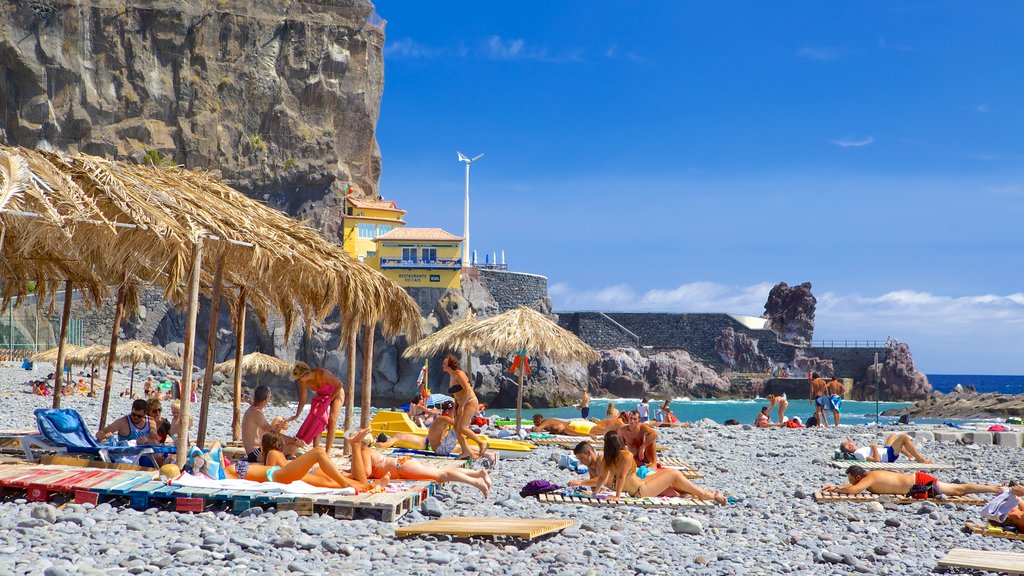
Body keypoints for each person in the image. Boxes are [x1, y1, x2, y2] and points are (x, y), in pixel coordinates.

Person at [349, 428, 491, 496]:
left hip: (401, 467)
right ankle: (477, 473)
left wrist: (350, 474)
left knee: (441, 475)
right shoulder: (365, 452)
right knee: (440, 472)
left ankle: (476, 482)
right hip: (403, 464)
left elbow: (366, 473)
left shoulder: (364, 452)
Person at [592, 431, 727, 503]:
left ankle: (700, 492)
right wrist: (617, 496)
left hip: (640, 486)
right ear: (618, 441)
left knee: (669, 473)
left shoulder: (606, 459)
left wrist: (595, 493)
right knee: (674, 473)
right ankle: (704, 494)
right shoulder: (625, 455)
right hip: (641, 491)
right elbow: (621, 476)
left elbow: (602, 478)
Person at [217, 432, 377, 492]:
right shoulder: (225, 474)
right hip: (281, 476)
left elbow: (217, 445)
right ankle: (351, 484)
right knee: (321, 458)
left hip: (281, 474)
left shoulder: (272, 453)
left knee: (331, 479)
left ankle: (360, 485)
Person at [376, 401, 496, 463]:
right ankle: (482, 449)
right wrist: (377, 445)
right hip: (437, 449)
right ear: (448, 411)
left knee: (461, 446)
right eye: (453, 411)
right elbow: (459, 426)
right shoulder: (443, 418)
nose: (453, 413)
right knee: (459, 431)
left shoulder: (442, 418)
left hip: (434, 445)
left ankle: (486, 453)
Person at [823, 465, 1003, 498]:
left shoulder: (869, 478)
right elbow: (854, 487)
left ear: (859, 477)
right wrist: (837, 487)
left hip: (920, 482)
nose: (851, 483)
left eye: (851, 480)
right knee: (957, 489)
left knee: (959, 490)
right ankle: (994, 489)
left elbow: (855, 490)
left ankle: (994, 489)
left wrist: (839, 490)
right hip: (916, 481)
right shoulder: (869, 476)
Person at [288, 361, 344, 453]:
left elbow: (339, 384)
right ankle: (316, 450)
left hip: (336, 393)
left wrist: (330, 400)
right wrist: (297, 415)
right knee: (316, 419)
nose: (299, 381)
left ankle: (327, 452)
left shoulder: (322, 374)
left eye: (299, 378)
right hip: (322, 396)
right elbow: (303, 399)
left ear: (305, 375)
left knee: (332, 420)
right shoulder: (304, 382)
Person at [441, 354, 488, 459]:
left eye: (444, 363)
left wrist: (461, 405)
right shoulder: (451, 376)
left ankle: (481, 443)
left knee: (462, 427)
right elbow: (456, 394)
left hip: (469, 401)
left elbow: (467, 390)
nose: (442, 365)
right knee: (457, 428)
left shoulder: (459, 374)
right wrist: (456, 407)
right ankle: (466, 451)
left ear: (450, 364)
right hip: (460, 403)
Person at [242, 385, 302, 462]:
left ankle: (282, 454)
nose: (270, 398)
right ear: (266, 399)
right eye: (270, 397)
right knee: (293, 447)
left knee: (278, 420)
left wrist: (280, 427)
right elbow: (272, 433)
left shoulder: (253, 410)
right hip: (255, 454)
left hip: (260, 448)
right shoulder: (256, 413)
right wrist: (293, 440)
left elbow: (266, 433)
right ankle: (281, 458)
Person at [838, 434, 933, 464]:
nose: (852, 441)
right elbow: (877, 460)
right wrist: (874, 448)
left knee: (893, 435)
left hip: (885, 451)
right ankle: (920, 459)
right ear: (850, 448)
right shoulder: (859, 454)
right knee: (904, 437)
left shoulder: (859, 451)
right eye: (850, 442)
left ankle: (910, 455)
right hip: (888, 456)